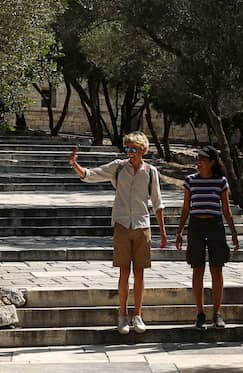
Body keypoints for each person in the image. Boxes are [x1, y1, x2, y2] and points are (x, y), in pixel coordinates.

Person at [68, 131, 167, 335]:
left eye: (133, 149)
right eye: (127, 148)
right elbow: (92, 174)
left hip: (142, 225)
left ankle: (137, 315)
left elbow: (157, 203)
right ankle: (122, 315)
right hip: (122, 224)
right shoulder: (118, 167)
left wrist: (163, 233)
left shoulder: (151, 171)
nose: (129, 152)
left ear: (142, 150)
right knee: (124, 271)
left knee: (139, 273)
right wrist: (76, 166)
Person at [175, 145, 240, 330]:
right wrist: (179, 231)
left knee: (216, 269)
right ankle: (200, 313)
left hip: (215, 225)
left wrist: (233, 233)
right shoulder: (190, 181)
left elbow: (226, 209)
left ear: (212, 162)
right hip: (196, 225)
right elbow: (186, 207)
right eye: (198, 158)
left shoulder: (221, 181)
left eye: (202, 158)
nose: (199, 161)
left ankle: (217, 313)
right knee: (197, 269)